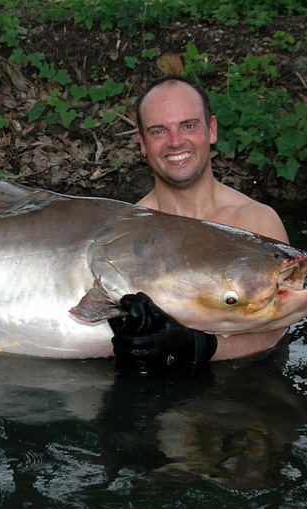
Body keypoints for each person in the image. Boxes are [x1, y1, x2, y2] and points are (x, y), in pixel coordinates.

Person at [110, 75, 291, 374]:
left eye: (188, 125)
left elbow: (279, 326)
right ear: (142, 143)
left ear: (212, 130)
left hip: (246, 389)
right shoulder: (125, 233)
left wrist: (202, 349)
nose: (175, 142)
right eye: (158, 131)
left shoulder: (257, 222)